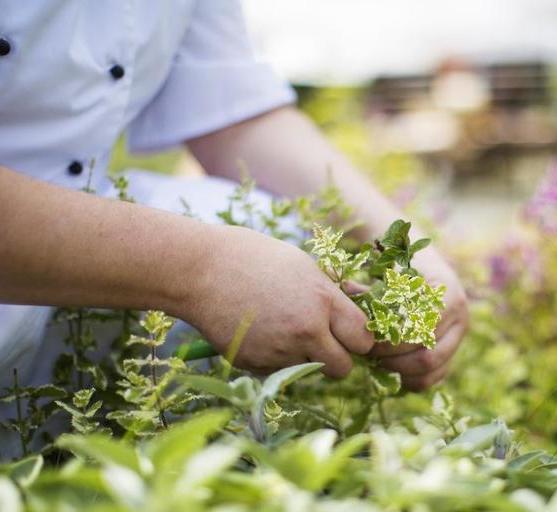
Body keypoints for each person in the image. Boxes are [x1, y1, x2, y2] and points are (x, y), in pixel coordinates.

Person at [0, 1, 468, 393]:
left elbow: (230, 111)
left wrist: (403, 250)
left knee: (275, 227)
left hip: (75, 272)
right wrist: (203, 270)